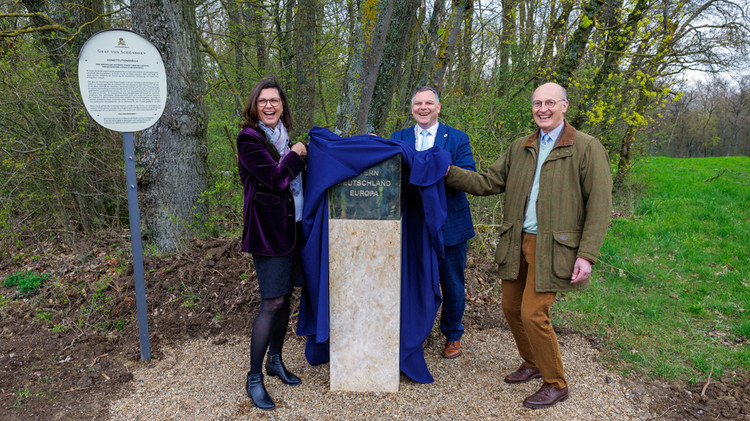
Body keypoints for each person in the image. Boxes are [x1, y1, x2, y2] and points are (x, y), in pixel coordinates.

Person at [445, 82, 612, 409]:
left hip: (555, 247)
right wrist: (449, 172)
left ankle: (556, 382)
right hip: (517, 241)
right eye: (537, 103)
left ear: (565, 105)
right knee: (510, 308)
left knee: (533, 313)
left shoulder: (586, 147)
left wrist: (587, 255)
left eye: (550, 102)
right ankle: (533, 362)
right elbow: (487, 182)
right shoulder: (520, 146)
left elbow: (600, 206)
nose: (543, 109)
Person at [237, 78, 307, 410]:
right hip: (268, 233)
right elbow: (278, 179)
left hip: (293, 230)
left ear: (282, 105)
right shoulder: (249, 138)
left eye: (275, 101)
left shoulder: (283, 136)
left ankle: (275, 360)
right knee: (272, 302)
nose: (269, 106)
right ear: (254, 105)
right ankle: (254, 379)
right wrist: (296, 155)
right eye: (263, 101)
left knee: (287, 297)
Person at [391, 86, 476, 359]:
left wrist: (439, 168)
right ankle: (417, 332)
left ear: (438, 107)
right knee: (412, 280)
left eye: (429, 103)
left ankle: (453, 335)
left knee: (451, 283)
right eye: (418, 103)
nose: (423, 108)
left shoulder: (458, 138)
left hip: (450, 221)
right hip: (411, 224)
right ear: (412, 108)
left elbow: (470, 174)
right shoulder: (398, 137)